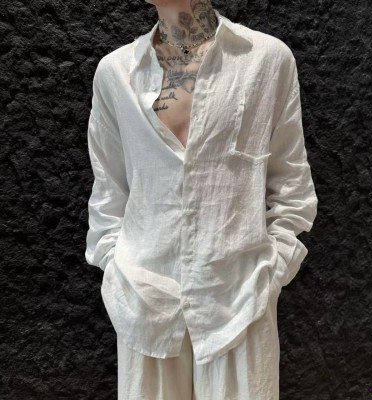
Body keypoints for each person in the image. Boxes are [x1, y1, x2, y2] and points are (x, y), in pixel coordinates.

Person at [84, 0, 318, 398]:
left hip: (240, 299)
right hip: (144, 298)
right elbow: (109, 190)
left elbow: (291, 185)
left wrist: (271, 273)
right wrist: (115, 265)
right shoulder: (116, 72)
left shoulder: (266, 60)